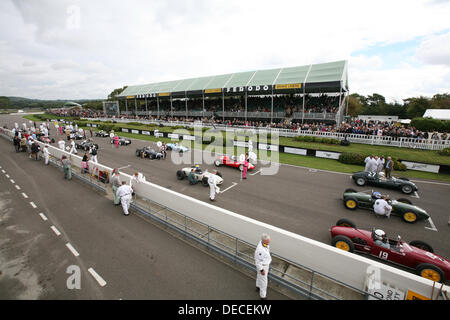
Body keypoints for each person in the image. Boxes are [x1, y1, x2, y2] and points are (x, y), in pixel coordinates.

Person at [254, 233, 272, 300]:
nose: (269, 242)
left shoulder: (263, 244)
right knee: (264, 282)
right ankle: (263, 296)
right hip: (263, 266)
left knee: (259, 276)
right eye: (268, 241)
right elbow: (258, 261)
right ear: (264, 241)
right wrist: (262, 270)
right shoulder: (260, 250)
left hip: (263, 265)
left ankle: (258, 286)